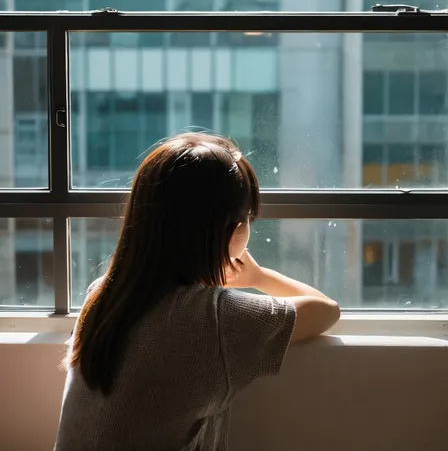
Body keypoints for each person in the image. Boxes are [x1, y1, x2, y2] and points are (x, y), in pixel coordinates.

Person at [55, 132, 340, 451]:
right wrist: (259, 276)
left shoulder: (104, 294)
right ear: (230, 232)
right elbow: (326, 309)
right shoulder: (215, 320)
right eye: (246, 220)